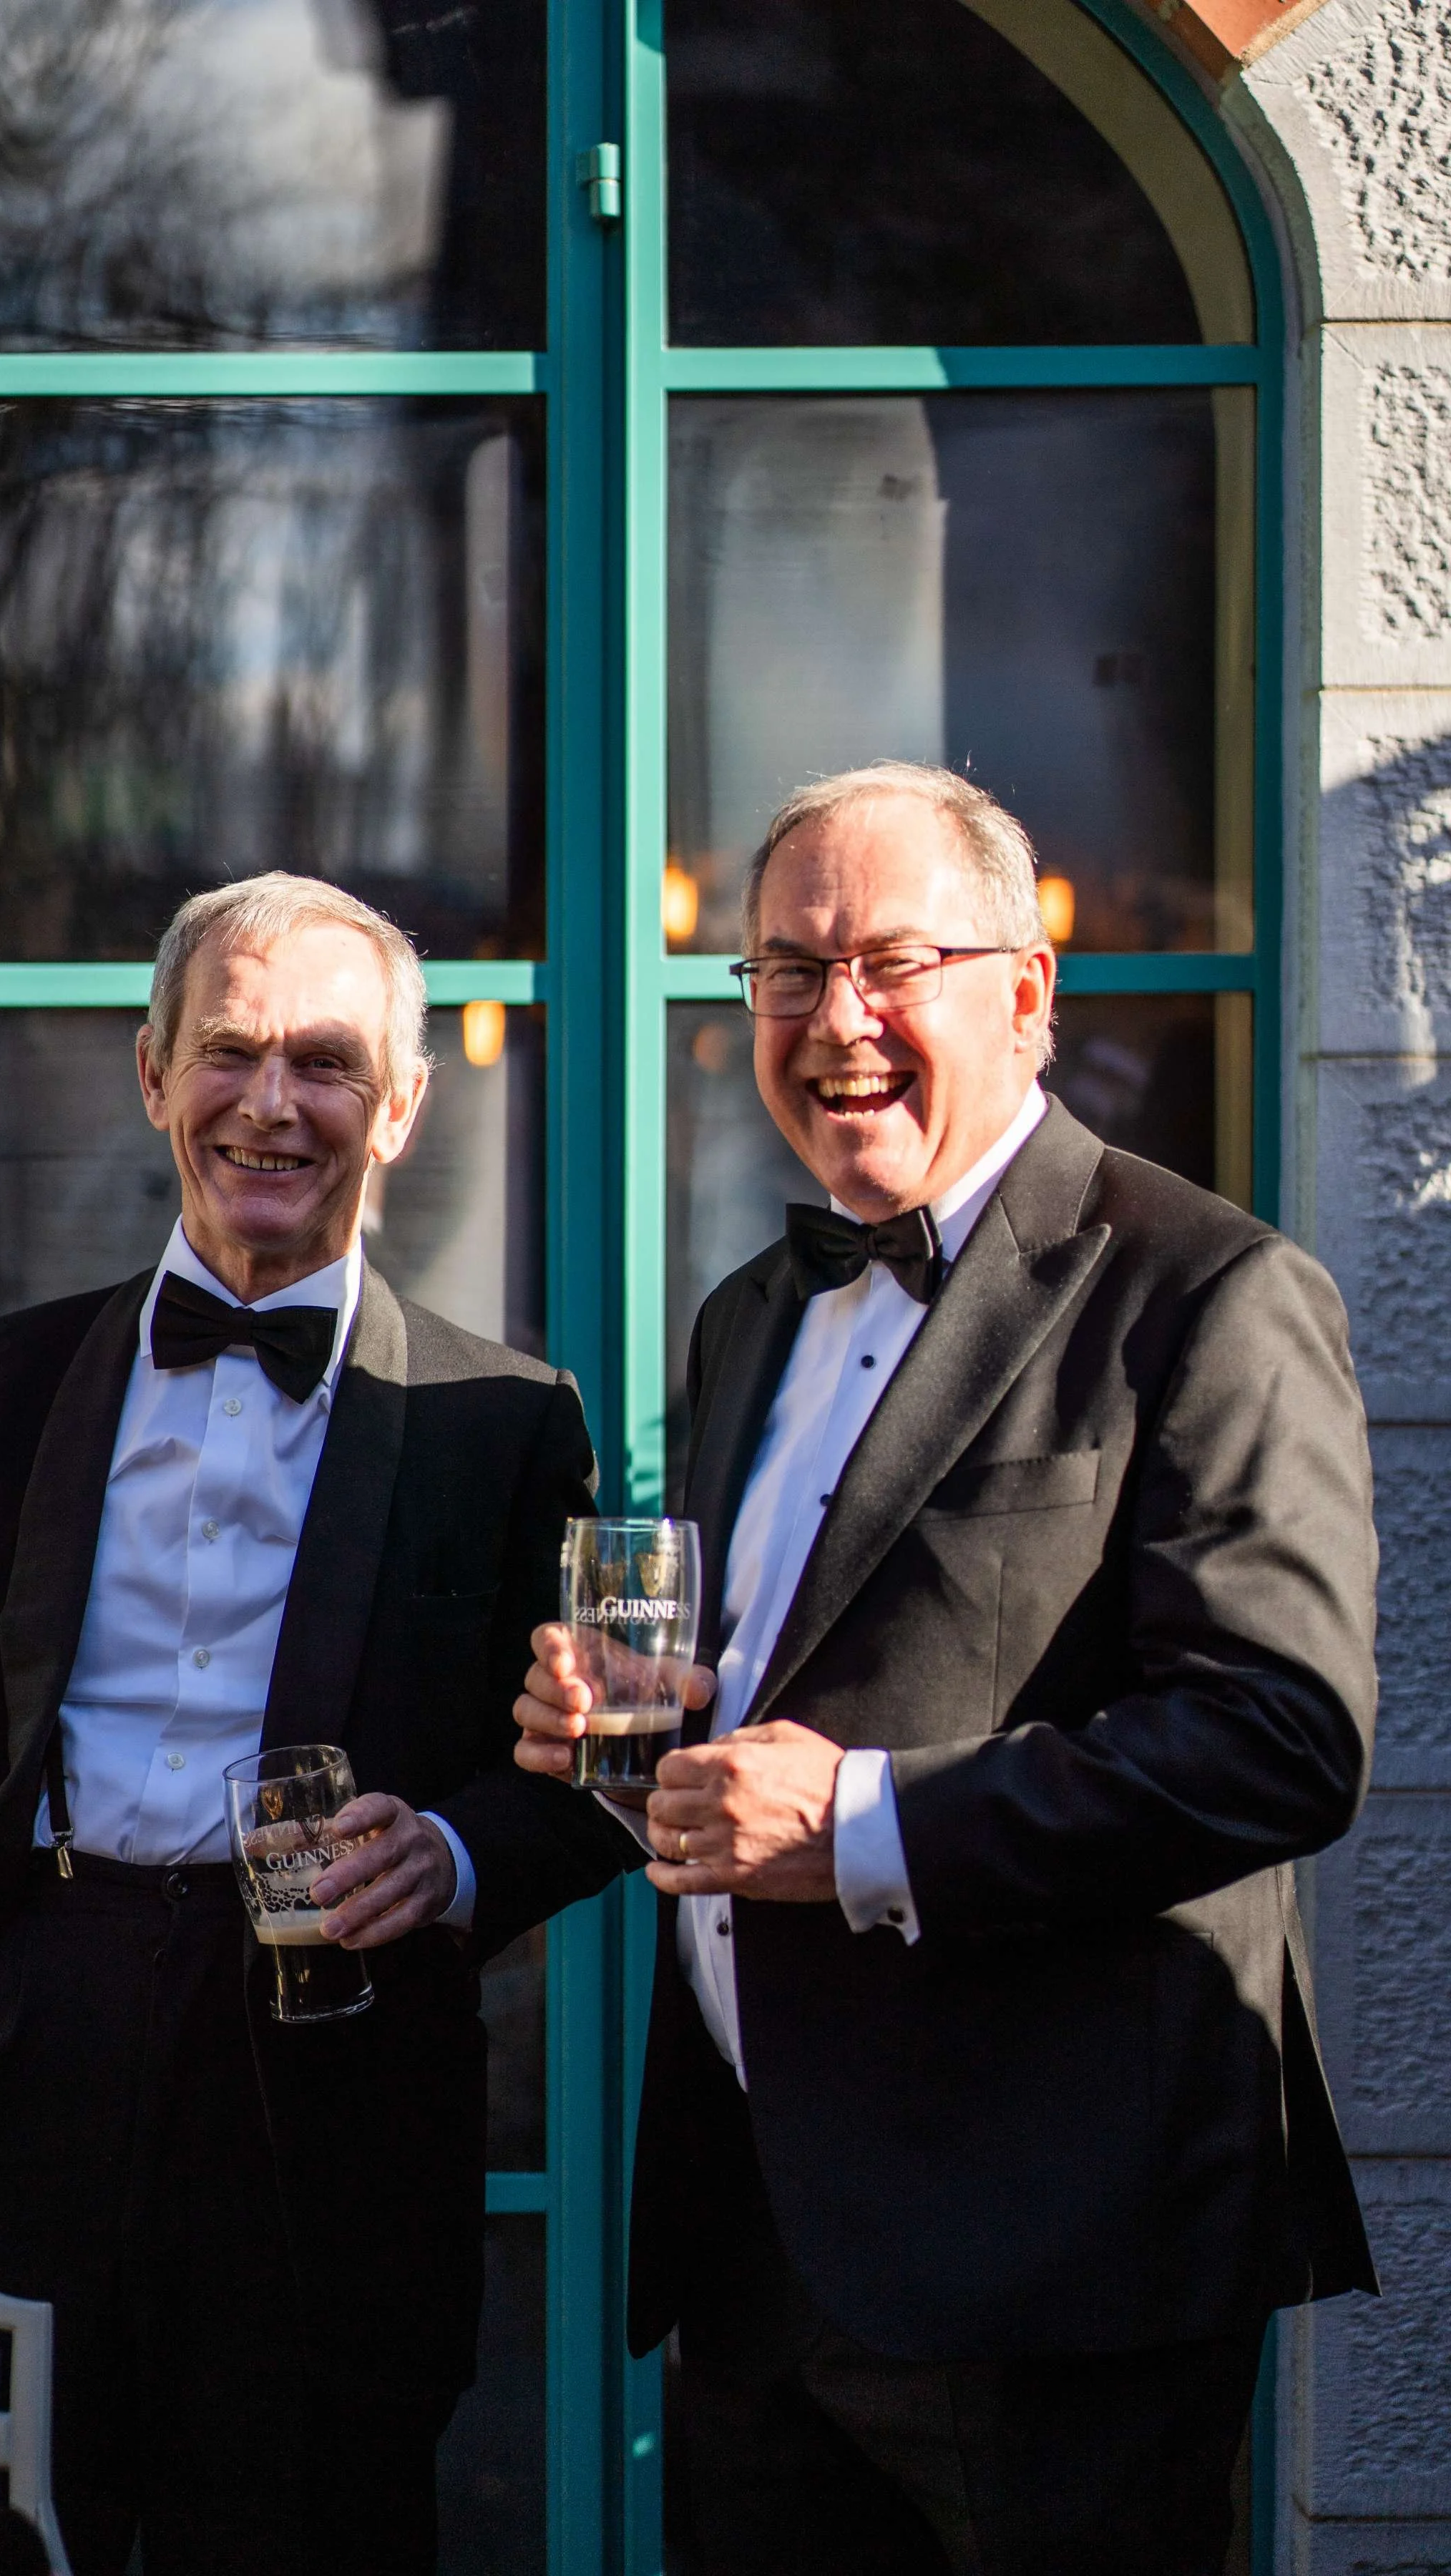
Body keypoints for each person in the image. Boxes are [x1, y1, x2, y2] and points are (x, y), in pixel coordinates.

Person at [513, 763, 1378, 2576]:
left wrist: (865, 1819)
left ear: (1028, 991)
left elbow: (1280, 1741)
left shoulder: (1212, 1293)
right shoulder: (749, 1310)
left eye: (893, 961)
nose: (838, 1019)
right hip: (754, 2250)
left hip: (1054, 2266)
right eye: (786, 970)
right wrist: (639, 1720)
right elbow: (800, 1676)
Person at [0, 874, 616, 2576]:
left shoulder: (505, 1422)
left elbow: (588, 1778)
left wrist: (457, 1854)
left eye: (326, 1062)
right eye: (230, 1051)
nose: (271, 1103)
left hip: (327, 2089)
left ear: (400, 1105)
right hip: (16, 2045)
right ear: (152, 1071)